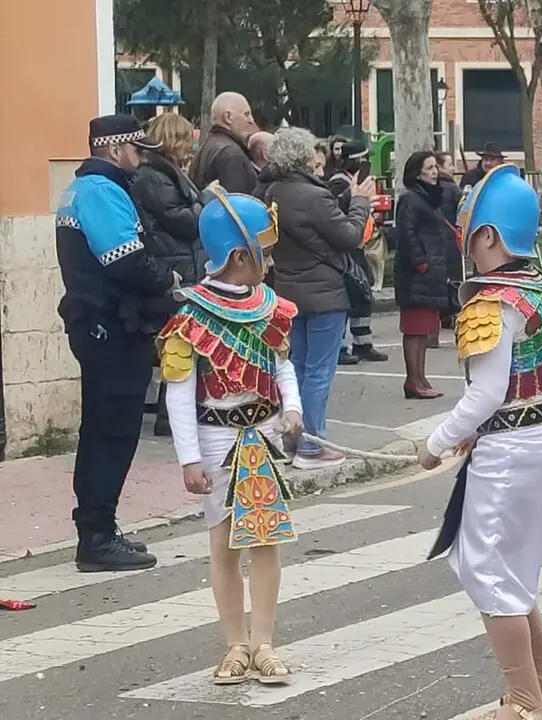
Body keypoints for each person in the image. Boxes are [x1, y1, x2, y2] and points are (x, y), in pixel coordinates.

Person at [420, 164, 542, 720]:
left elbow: (487, 393)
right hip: (540, 433)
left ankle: (527, 701)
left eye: (470, 233)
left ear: (487, 236)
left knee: (487, 570)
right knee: (499, 564)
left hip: (511, 445)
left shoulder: (492, 302)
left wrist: (436, 440)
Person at [158, 184, 301, 686]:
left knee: (266, 540)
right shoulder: (189, 316)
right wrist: (188, 459)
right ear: (241, 255)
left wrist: (294, 410)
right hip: (217, 439)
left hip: (262, 435)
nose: (270, 260)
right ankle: (235, 644)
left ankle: (264, 642)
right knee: (224, 544)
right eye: (265, 251)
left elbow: (283, 365)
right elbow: (178, 393)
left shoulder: (270, 306)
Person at [57, 115, 180, 572]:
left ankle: (99, 528)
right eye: (137, 149)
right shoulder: (102, 191)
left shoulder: (87, 188)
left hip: (99, 325)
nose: (141, 157)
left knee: (102, 430)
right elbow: (125, 262)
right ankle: (97, 536)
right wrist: (166, 279)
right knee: (112, 433)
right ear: (114, 150)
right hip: (111, 326)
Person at [259, 127, 375, 470]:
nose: (318, 156)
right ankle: (311, 444)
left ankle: (291, 440)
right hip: (324, 292)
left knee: (296, 368)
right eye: (313, 151)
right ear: (302, 157)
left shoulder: (272, 191)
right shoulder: (314, 196)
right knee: (320, 371)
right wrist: (360, 203)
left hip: (288, 291)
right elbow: (350, 236)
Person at [132, 113, 207, 438]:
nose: (190, 147)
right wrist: (206, 199)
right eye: (185, 140)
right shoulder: (154, 176)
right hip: (174, 266)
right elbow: (183, 220)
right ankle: (170, 417)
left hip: (180, 262)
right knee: (179, 345)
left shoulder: (163, 173)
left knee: (183, 344)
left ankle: (172, 415)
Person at [394, 151, 460, 399]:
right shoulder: (411, 198)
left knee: (423, 330)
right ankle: (413, 380)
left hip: (430, 273)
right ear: (417, 172)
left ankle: (420, 378)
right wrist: (422, 264)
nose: (434, 172)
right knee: (414, 329)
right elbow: (407, 234)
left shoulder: (429, 197)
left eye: (435, 167)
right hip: (416, 275)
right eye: (429, 167)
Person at [327, 139, 387, 366]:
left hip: (358, 243)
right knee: (348, 294)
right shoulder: (339, 183)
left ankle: (363, 343)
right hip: (346, 244)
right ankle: (341, 346)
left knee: (362, 294)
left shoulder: (358, 181)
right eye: (364, 159)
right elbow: (335, 210)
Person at [190, 92, 259, 194]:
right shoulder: (231, 154)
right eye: (246, 114)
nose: (251, 121)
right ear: (228, 117)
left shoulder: (209, 145)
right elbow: (236, 204)